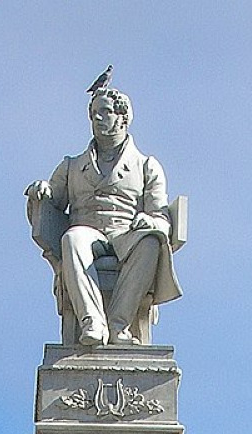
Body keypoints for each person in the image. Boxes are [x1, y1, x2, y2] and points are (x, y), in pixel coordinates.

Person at [26, 83, 181, 346]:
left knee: (152, 242)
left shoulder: (146, 165)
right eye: (94, 113)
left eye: (105, 112)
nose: (97, 118)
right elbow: (53, 199)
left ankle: (119, 325)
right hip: (86, 231)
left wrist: (151, 221)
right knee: (72, 239)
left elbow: (161, 217)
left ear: (123, 119)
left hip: (126, 233)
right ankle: (92, 321)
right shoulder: (72, 165)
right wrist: (42, 190)